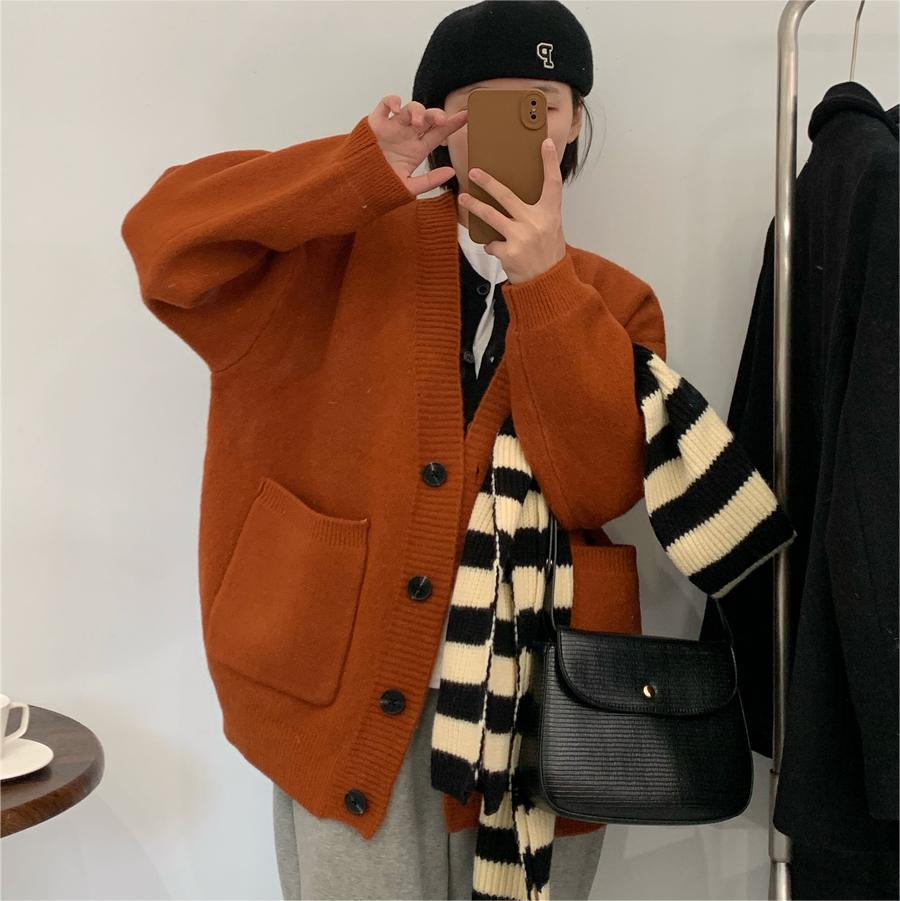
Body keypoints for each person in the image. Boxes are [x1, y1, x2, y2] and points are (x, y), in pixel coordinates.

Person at [121, 1, 664, 898]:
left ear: (575, 124)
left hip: (538, 713)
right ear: (437, 118)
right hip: (348, 682)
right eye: (486, 103)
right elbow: (166, 243)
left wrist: (544, 284)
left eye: (546, 103)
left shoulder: (614, 302)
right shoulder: (321, 259)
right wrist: (354, 170)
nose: (525, 126)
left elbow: (597, 490)